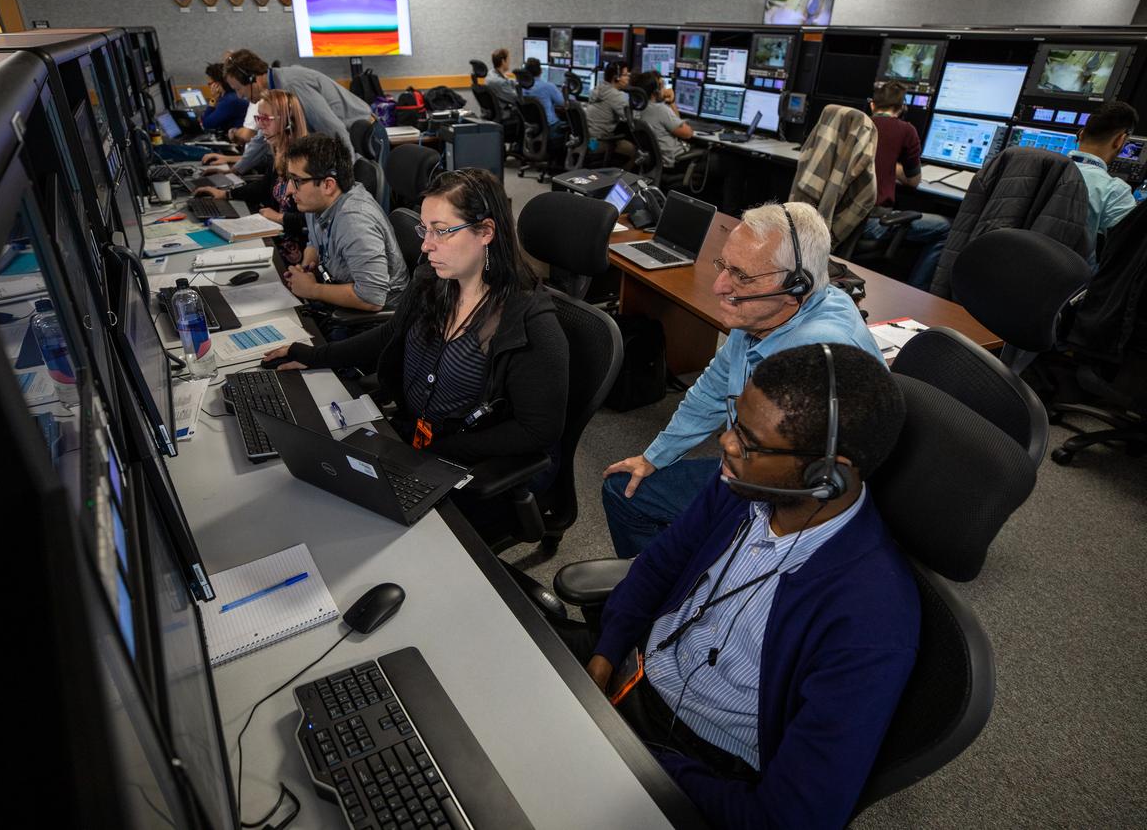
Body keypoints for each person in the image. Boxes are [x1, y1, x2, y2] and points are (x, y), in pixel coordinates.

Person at [573, 343, 917, 828]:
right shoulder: (741, 487)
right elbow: (657, 566)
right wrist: (605, 656)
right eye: (735, 422)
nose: (725, 444)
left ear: (827, 475)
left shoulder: (871, 619)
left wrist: (630, 758)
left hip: (702, 766)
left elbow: (791, 817)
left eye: (749, 443)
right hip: (633, 675)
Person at [602, 202, 885, 559]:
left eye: (742, 276)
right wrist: (654, 457)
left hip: (789, 502)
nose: (720, 286)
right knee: (625, 488)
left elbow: (801, 490)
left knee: (633, 502)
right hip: (753, 469)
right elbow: (712, 388)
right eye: (725, 266)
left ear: (796, 285)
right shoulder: (762, 316)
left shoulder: (816, 358)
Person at [260, 168, 568, 474]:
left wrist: (431, 455)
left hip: (463, 468)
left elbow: (538, 430)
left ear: (486, 232)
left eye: (441, 231)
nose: (425, 245)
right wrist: (313, 356)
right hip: (408, 440)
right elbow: (390, 334)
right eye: (424, 230)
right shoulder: (432, 280)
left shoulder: (529, 323)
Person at [279, 133, 408, 314]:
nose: (289, 190)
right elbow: (313, 242)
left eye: (297, 181)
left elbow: (372, 298)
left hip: (371, 322)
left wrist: (312, 290)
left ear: (328, 185)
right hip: (341, 297)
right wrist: (307, 265)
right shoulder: (315, 203)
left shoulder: (354, 221)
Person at [193, 90, 309, 266]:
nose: (260, 126)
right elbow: (264, 186)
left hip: (297, 251)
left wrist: (278, 217)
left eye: (266, 119)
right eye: (258, 118)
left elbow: (313, 218)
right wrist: (226, 195)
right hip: (277, 236)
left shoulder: (304, 161)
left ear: (287, 122)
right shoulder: (278, 152)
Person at [861, 82, 951, 291]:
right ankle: (916, 291)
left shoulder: (856, 125)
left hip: (844, 218)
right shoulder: (906, 130)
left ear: (873, 106)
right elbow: (914, 181)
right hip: (874, 222)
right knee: (946, 227)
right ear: (902, 109)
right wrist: (894, 167)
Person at [212, 50, 355, 177]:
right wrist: (236, 170)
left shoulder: (291, 85)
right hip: (345, 139)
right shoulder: (274, 93)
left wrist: (348, 180)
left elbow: (335, 131)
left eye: (238, 89)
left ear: (252, 79)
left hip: (357, 136)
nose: (239, 96)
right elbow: (262, 138)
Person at [1069, 100, 1140, 271]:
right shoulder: (1113, 190)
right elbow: (1131, 251)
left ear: (1081, 133)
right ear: (1120, 140)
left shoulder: (1041, 167)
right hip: (1072, 286)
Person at [631, 72, 692, 170]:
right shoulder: (660, 109)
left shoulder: (635, 108)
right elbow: (687, 133)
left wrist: (670, 101)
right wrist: (671, 102)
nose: (665, 89)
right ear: (656, 91)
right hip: (674, 162)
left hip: (653, 163)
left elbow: (676, 122)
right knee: (718, 158)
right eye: (663, 86)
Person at [586, 61, 634, 163]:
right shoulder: (615, 95)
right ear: (616, 77)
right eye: (625, 75)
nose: (628, 77)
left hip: (588, 141)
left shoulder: (599, 88)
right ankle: (621, 178)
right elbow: (632, 119)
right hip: (597, 143)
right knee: (635, 151)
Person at [522, 58, 566, 138]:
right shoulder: (548, 86)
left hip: (532, 129)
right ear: (541, 71)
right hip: (551, 128)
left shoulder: (521, 88)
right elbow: (564, 103)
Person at [200, 62, 248, 132]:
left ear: (217, 84)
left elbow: (207, 124)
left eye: (209, 84)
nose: (209, 87)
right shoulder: (232, 96)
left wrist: (213, 99)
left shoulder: (229, 101)